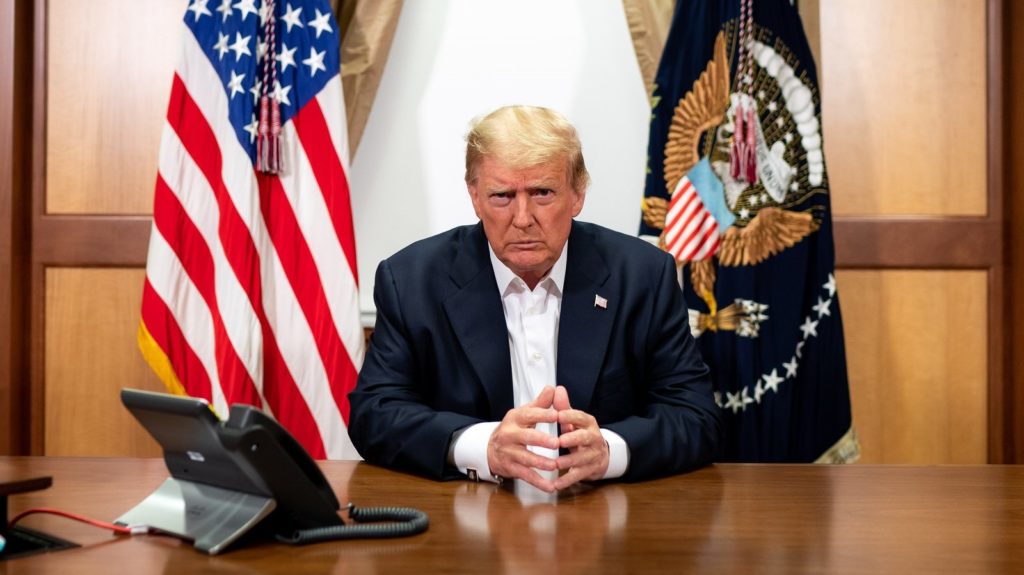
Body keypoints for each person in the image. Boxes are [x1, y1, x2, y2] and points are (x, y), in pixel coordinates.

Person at [349, 105, 720, 493]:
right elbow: (375, 415)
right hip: (470, 523)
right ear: (474, 196)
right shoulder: (412, 280)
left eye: (542, 193)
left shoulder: (643, 276)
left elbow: (695, 417)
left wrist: (608, 450)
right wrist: (482, 446)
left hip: (602, 520)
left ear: (577, 194)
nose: (523, 217)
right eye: (502, 196)